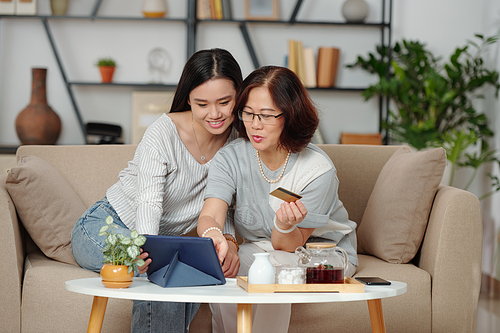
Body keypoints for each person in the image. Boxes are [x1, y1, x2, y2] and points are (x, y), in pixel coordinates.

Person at [71, 48, 243, 333]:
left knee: (177, 271)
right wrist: (150, 251)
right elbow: (149, 204)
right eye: (202, 104)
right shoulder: (162, 133)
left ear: (239, 95)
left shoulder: (239, 141)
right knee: (166, 270)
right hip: (106, 226)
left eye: (224, 102)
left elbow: (224, 203)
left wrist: (229, 245)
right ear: (188, 99)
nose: (215, 114)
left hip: (167, 243)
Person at [197, 65, 358, 333]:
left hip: (320, 253)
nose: (255, 125)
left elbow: (288, 246)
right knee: (222, 268)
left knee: (277, 269)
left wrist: (284, 225)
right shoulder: (231, 156)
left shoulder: (317, 169)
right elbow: (210, 214)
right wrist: (215, 237)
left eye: (267, 116)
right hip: (263, 249)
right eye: (248, 114)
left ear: (290, 115)